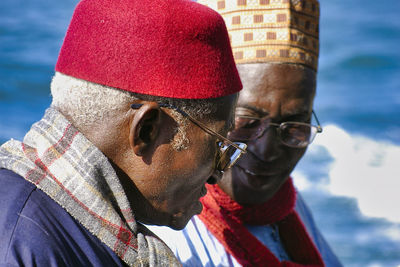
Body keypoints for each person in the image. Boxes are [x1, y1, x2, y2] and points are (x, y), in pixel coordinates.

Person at [0, 0, 247, 266]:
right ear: (147, 131)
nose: (217, 173)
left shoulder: (40, 226)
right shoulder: (26, 246)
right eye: (218, 145)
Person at [148, 0, 343, 266]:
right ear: (198, 114)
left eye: (295, 125)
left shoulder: (287, 206)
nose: (268, 151)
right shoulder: (164, 240)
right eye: (246, 122)